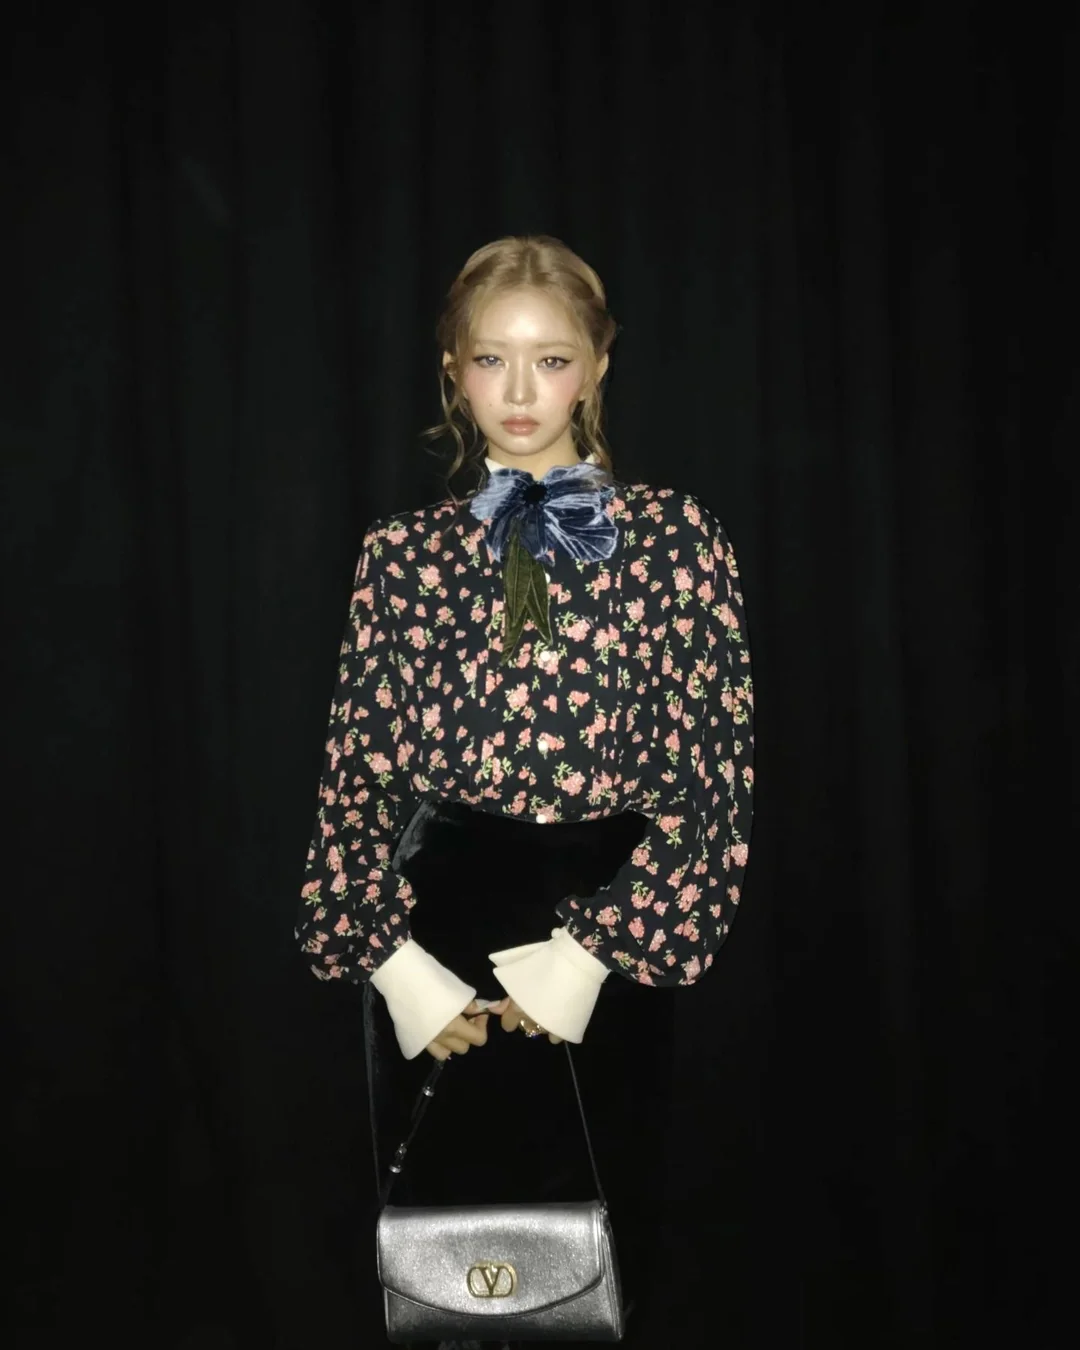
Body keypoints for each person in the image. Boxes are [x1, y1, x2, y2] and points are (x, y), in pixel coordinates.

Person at [296, 235, 754, 1349]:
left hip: (608, 937)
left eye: (550, 360)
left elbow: (713, 782)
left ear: (596, 369)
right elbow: (356, 777)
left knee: (600, 1271)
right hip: (435, 938)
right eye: (490, 359)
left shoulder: (677, 542)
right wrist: (400, 972)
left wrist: (590, 958)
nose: (518, 391)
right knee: (440, 1276)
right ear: (452, 370)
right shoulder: (401, 557)